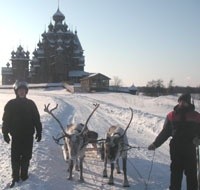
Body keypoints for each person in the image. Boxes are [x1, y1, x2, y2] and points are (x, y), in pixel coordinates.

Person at [148, 93, 200, 190]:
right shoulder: (171, 115)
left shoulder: (196, 116)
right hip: (176, 149)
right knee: (176, 174)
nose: (182, 103)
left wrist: (198, 138)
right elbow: (165, 132)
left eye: (184, 102)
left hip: (190, 149)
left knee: (192, 175)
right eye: (180, 101)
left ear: (189, 103)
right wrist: (155, 144)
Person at [2, 80, 42, 188]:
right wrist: (5, 133)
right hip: (16, 136)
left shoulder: (31, 104)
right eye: (20, 90)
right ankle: (15, 176)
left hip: (28, 136)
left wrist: (39, 131)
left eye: (23, 90)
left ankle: (24, 175)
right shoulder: (11, 104)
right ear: (16, 91)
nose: (22, 92)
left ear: (26, 91)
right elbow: (6, 120)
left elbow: (36, 119)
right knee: (15, 157)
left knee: (26, 156)